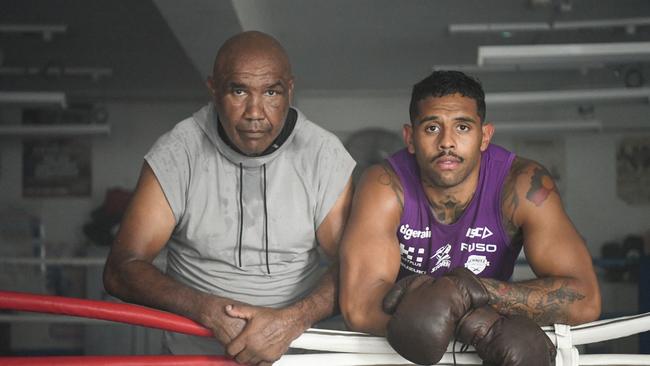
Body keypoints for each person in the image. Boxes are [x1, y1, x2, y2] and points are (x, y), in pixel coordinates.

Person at [103, 31, 355, 365]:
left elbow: (356, 268)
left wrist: (292, 320)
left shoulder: (323, 155)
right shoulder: (178, 153)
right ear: (214, 90)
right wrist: (207, 311)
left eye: (271, 92)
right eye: (239, 91)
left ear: (289, 91)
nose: (255, 112)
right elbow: (121, 269)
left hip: (295, 355)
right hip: (193, 355)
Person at [339, 70, 600, 364]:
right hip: (401, 350)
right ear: (410, 138)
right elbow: (358, 307)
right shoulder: (385, 185)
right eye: (431, 128)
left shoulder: (522, 185)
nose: (447, 142)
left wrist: (470, 291)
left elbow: (586, 299)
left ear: (484, 136)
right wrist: (483, 327)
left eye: (462, 127)